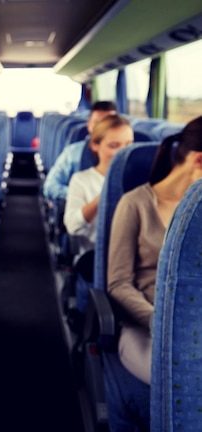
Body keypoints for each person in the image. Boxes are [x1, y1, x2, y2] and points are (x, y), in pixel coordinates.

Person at [108, 116, 202, 385]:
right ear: (198, 160)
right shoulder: (135, 204)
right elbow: (118, 283)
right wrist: (158, 320)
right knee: (182, 380)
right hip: (145, 329)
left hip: (196, 329)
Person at [64, 114, 133, 258]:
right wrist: (104, 197)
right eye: (114, 146)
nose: (123, 152)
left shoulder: (142, 181)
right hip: (96, 256)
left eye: (128, 144)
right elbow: (73, 227)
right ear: (95, 145)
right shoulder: (81, 180)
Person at [43, 101, 118, 202]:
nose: (103, 129)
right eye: (98, 123)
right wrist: (79, 195)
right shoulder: (73, 153)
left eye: (109, 124)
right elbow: (51, 186)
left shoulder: (126, 154)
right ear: (89, 125)